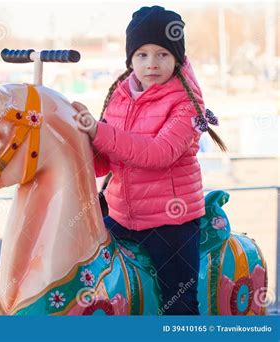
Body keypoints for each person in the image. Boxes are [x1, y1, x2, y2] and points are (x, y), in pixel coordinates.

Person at [72, 6, 227, 315]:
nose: (151, 64)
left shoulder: (188, 104)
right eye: (142, 55)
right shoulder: (119, 95)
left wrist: (98, 131)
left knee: (179, 303)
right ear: (130, 59)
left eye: (162, 54)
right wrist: (78, 143)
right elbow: (106, 163)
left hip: (171, 222)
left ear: (178, 58)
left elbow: (158, 153)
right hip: (121, 216)